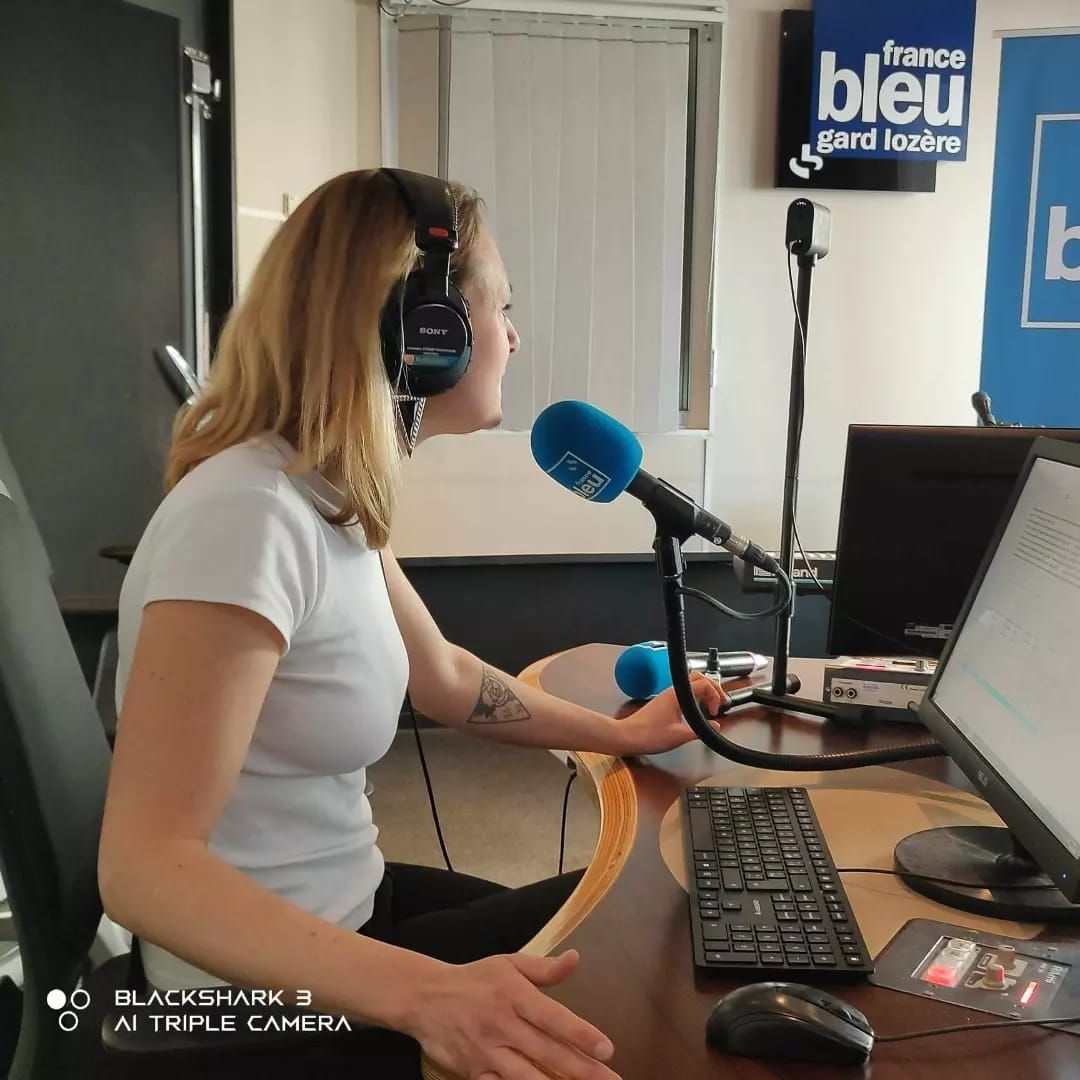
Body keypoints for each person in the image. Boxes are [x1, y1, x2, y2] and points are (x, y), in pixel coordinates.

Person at [98, 168, 726, 1080]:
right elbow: (144, 868)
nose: (513, 336)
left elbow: (447, 679)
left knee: (661, 918)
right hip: (253, 1010)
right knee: (656, 961)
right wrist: (427, 997)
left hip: (349, 913)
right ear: (424, 332)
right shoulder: (248, 518)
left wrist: (620, 735)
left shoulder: (325, 490)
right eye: (501, 308)